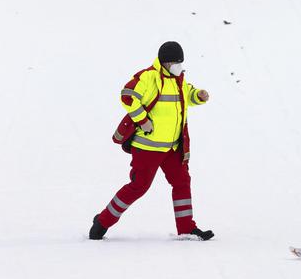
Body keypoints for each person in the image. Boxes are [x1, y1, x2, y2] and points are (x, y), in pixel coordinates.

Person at [89, 41, 214, 240]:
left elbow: (186, 95)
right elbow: (127, 96)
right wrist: (143, 120)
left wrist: (197, 95)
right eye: (173, 62)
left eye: (180, 62)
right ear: (164, 62)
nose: (177, 66)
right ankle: (103, 220)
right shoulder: (148, 77)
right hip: (147, 147)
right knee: (139, 186)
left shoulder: (179, 80)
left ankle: (187, 228)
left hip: (173, 148)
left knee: (182, 182)